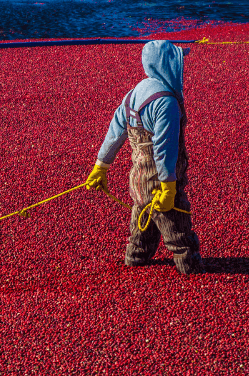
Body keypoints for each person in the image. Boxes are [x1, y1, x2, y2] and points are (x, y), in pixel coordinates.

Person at [85, 40, 204, 275]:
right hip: (161, 181)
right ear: (169, 66)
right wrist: (168, 187)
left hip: (138, 179)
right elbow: (164, 148)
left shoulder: (133, 95)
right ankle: (190, 265)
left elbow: (115, 132)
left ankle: (136, 257)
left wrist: (101, 165)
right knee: (176, 226)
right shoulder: (166, 103)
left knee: (142, 217)